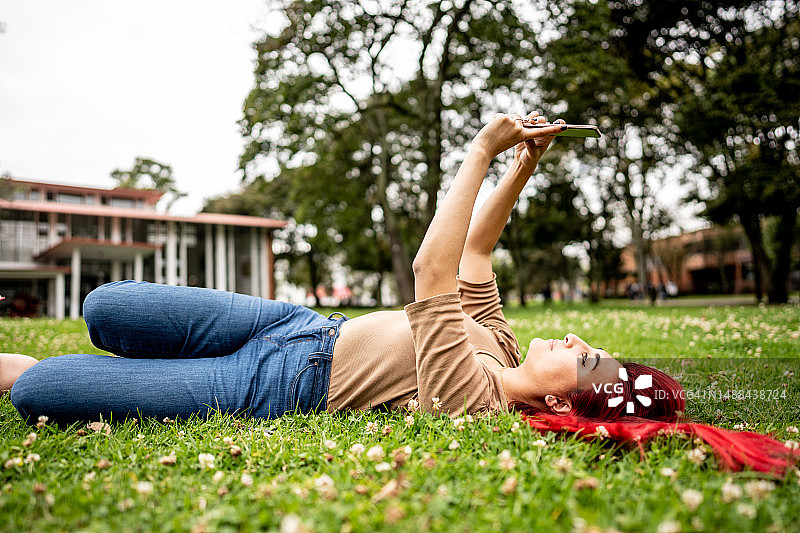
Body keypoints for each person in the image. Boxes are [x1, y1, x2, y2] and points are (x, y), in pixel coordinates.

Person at [3, 112, 797, 475]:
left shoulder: (478, 400)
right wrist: (525, 164)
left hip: (272, 385)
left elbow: (431, 271)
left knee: (43, 386)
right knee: (106, 305)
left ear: (564, 407)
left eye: (584, 361)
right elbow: (479, 249)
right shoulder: (507, 346)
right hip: (298, 323)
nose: (573, 343)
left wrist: (482, 147)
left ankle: (20, 366)